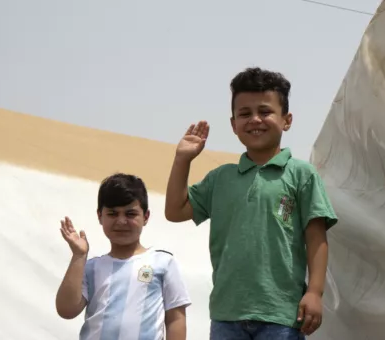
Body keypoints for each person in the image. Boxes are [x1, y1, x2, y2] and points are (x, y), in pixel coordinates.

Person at [165, 67, 338, 339]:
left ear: (287, 120)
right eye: (245, 113)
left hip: (281, 315)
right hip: (226, 314)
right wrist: (182, 160)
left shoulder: (302, 174)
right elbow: (175, 211)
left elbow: (316, 238)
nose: (255, 119)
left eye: (265, 111)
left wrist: (315, 292)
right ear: (233, 124)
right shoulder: (220, 178)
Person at [55, 173, 191, 340]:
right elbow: (66, 310)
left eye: (130, 214)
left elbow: (175, 319)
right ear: (100, 216)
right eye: (112, 214)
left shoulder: (163, 263)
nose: (121, 221)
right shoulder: (90, 266)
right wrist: (78, 256)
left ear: (146, 217)